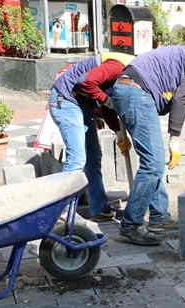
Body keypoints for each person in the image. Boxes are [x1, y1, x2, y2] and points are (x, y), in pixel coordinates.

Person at [109, 46, 185, 246]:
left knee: (153, 161)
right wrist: (175, 138)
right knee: (154, 164)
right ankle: (131, 225)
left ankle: (159, 217)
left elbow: (170, 98)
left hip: (131, 90)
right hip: (137, 92)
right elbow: (182, 97)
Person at [49, 52, 134, 222]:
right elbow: (86, 82)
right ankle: (60, 210)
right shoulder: (117, 66)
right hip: (65, 100)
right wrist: (106, 100)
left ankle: (99, 208)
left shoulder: (126, 75)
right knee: (77, 159)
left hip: (81, 104)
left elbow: (107, 105)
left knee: (93, 158)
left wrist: (118, 134)